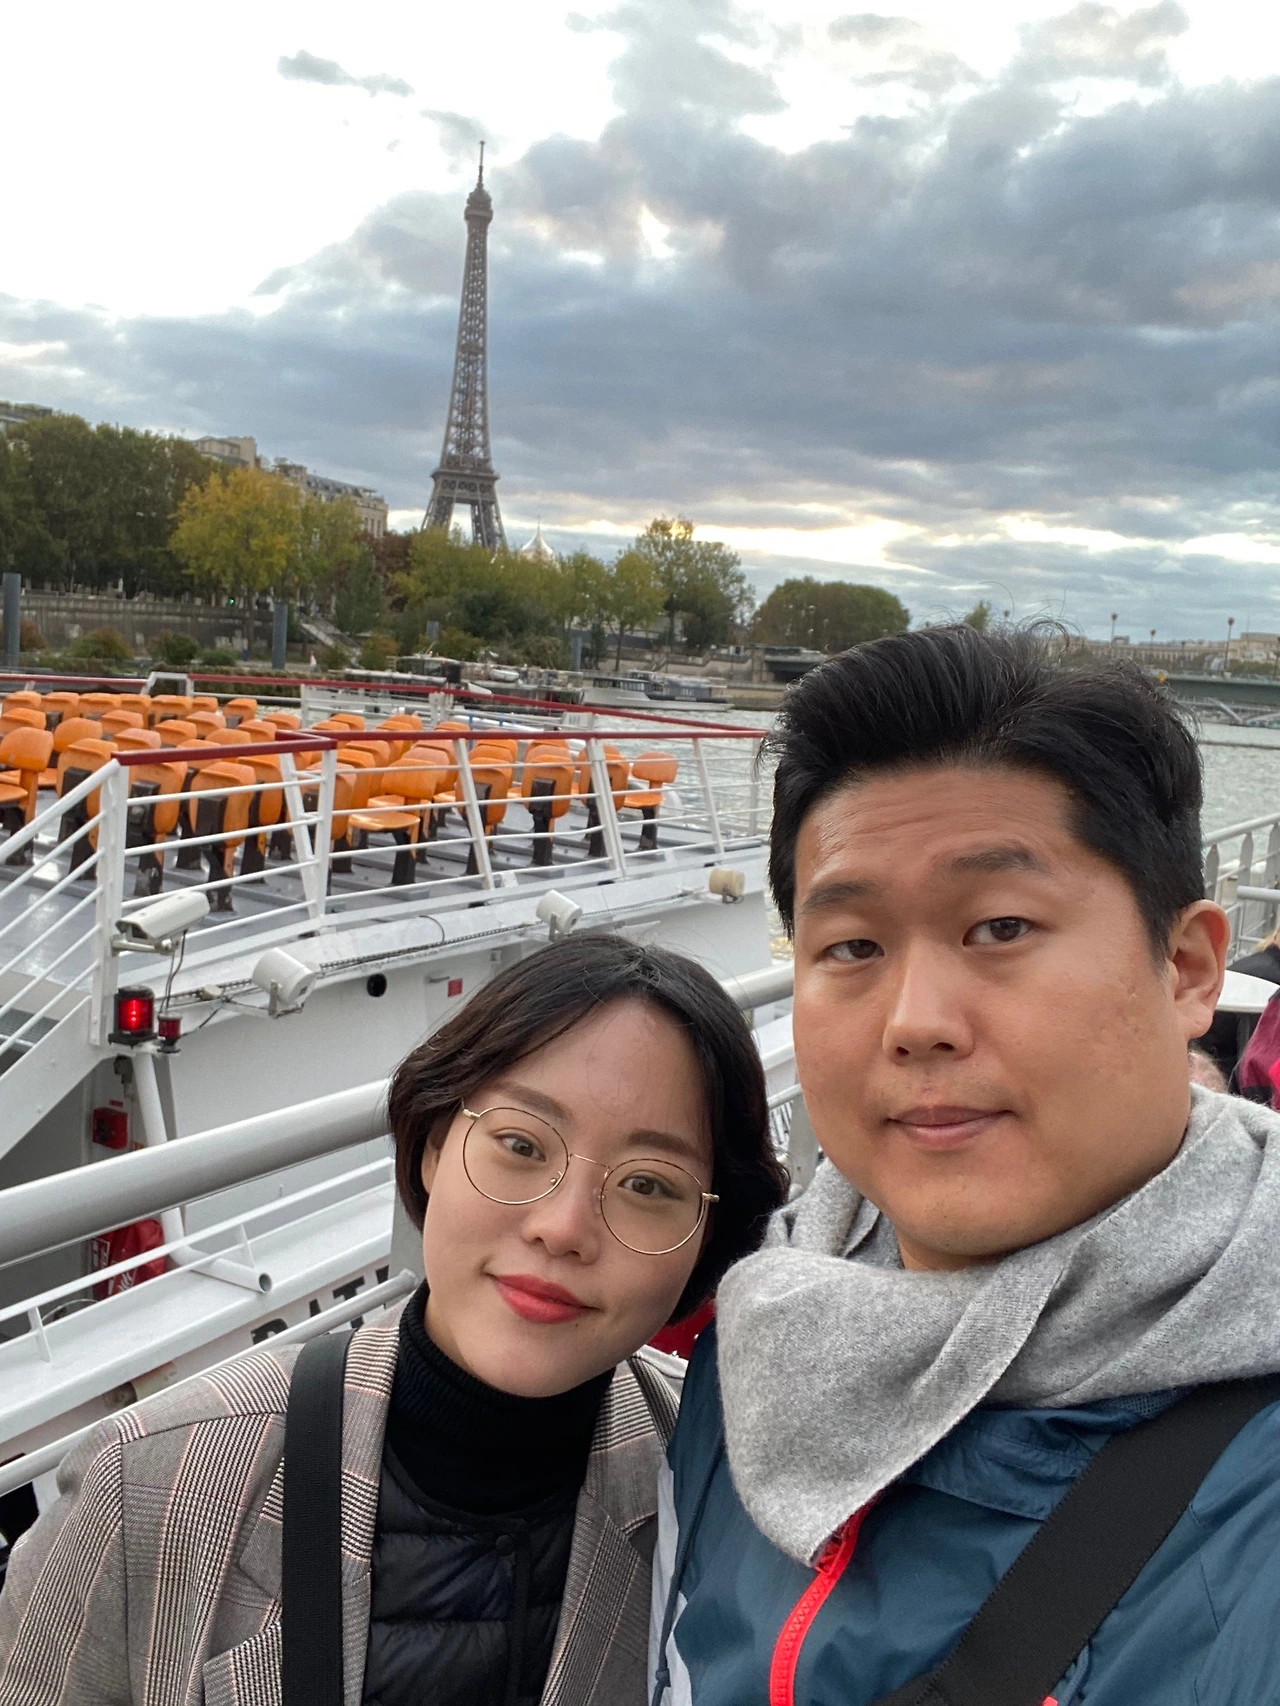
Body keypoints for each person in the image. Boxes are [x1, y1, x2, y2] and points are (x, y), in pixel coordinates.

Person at [652, 625, 1280, 1706]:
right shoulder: (750, 1340)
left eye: (999, 927)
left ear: (1184, 969)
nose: (916, 1022)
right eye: (852, 946)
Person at [0, 935, 786, 1706]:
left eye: (649, 1186)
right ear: (434, 1148)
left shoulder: (731, 1498)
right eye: (520, 1144)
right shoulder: (150, 1482)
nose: (563, 1227)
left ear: (707, 1239)